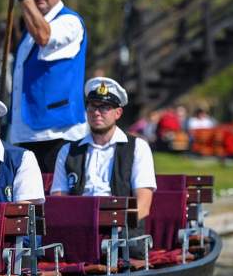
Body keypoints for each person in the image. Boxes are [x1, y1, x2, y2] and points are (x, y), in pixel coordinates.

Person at [5, 0, 88, 172]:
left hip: (58, 132)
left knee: (57, 201)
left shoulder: (70, 22)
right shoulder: (28, 29)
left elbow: (45, 36)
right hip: (26, 131)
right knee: (29, 201)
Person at [50, 78, 156, 225]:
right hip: (78, 227)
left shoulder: (138, 147)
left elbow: (143, 206)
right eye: (92, 107)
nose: (97, 113)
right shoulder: (68, 151)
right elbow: (59, 197)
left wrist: (115, 228)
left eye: (105, 107)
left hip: (122, 235)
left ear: (118, 113)